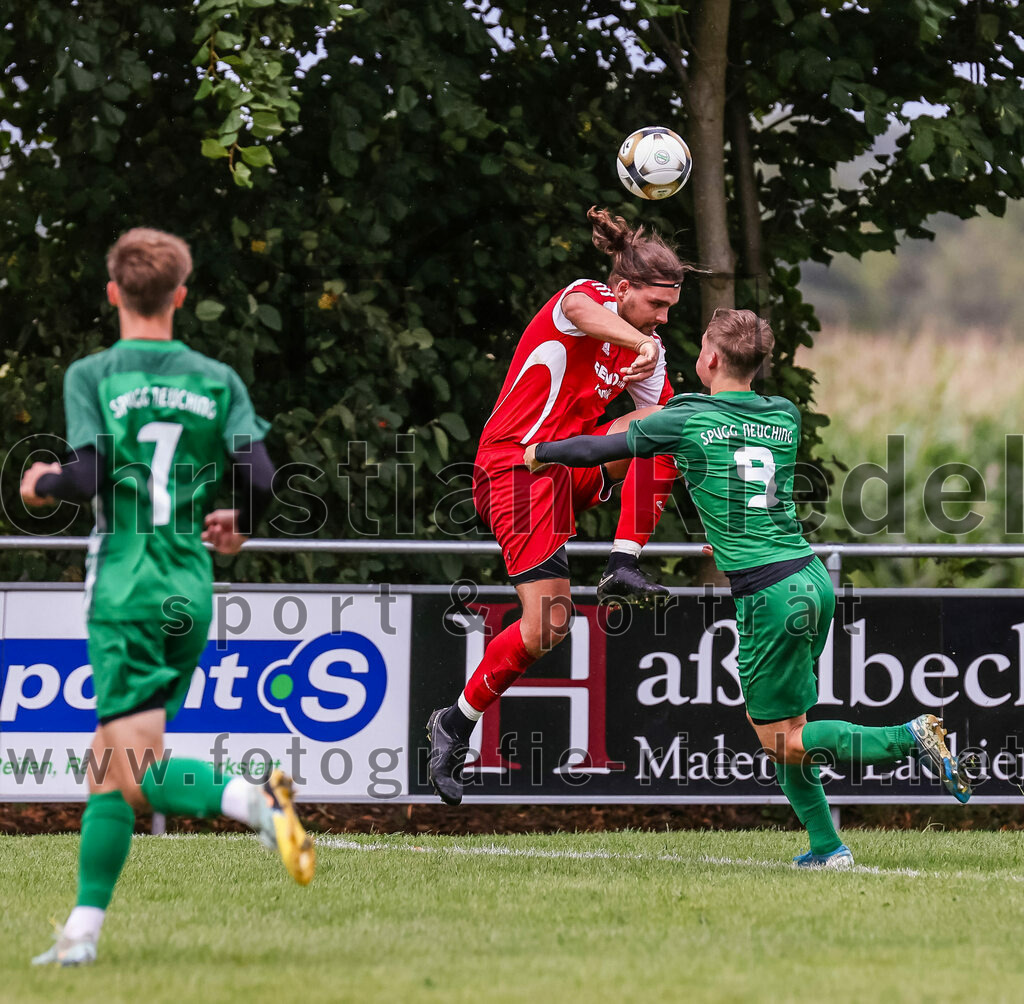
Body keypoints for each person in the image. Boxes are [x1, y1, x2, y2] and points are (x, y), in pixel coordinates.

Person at [525, 307, 972, 868]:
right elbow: (753, 489)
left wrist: (536, 451)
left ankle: (912, 737)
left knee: (779, 741)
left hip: (769, 594)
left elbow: (598, 451)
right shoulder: (784, 416)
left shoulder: (686, 417)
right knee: (794, 730)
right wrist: (730, 539)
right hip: (807, 575)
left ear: (709, 357)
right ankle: (827, 847)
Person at [20, 227, 314, 967]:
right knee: (109, 769)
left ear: (115, 293)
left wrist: (41, 482)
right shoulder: (216, 378)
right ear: (181, 296)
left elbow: (85, 480)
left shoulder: (93, 374)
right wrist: (238, 522)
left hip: (124, 589)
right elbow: (266, 480)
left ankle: (253, 800)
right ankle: (81, 934)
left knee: (135, 770)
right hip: (188, 586)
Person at [426, 206, 697, 806]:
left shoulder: (644, 345)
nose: (661, 319)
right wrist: (638, 344)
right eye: (656, 305)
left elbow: (668, 420)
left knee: (673, 424)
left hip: (568, 463)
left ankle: (624, 559)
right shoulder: (584, 300)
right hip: (515, 466)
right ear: (622, 289)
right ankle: (456, 723)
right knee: (547, 625)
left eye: (669, 310)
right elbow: (578, 312)